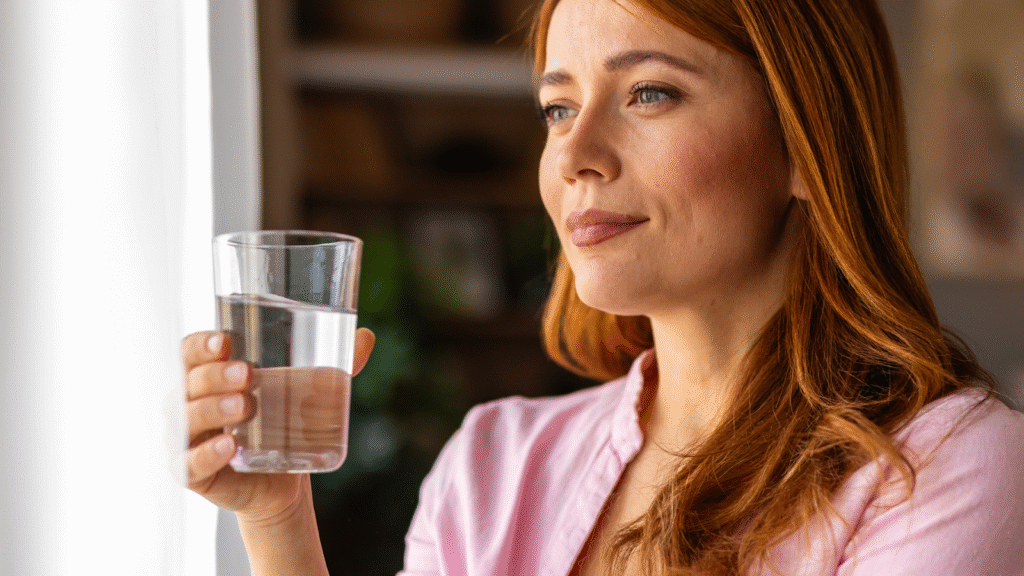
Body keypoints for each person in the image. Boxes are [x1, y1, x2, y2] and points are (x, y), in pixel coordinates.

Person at [183, 0, 1024, 574]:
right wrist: (276, 516)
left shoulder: (945, 467)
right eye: (557, 108)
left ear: (804, 141)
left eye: (650, 93)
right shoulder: (493, 465)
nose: (576, 152)